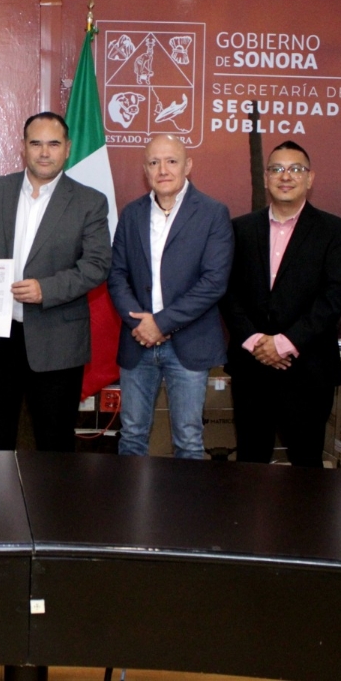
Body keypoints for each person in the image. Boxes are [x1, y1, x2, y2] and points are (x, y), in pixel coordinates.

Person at [0, 112, 111, 452]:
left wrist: (47, 289)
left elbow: (97, 265)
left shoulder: (90, 202)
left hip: (57, 340)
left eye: (54, 144)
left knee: (53, 444)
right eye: (36, 143)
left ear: (68, 148)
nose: (45, 152)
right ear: (23, 147)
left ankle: (52, 492)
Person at [219, 141, 341, 468]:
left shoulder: (335, 231)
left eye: (296, 169)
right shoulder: (239, 229)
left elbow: (333, 297)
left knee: (307, 466)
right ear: (266, 178)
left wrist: (284, 343)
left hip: (308, 368)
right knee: (250, 462)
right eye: (277, 169)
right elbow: (227, 291)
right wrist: (256, 341)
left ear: (310, 178)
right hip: (252, 366)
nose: (286, 176)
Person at [108, 134, 233, 459]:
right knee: (131, 436)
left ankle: (186, 498)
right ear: (145, 170)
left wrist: (160, 324)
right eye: (154, 162)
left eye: (171, 161)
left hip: (189, 343)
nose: (162, 170)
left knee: (188, 440)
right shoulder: (131, 214)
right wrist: (140, 324)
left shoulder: (213, 213)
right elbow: (117, 275)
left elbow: (214, 282)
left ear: (188, 165)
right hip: (137, 342)